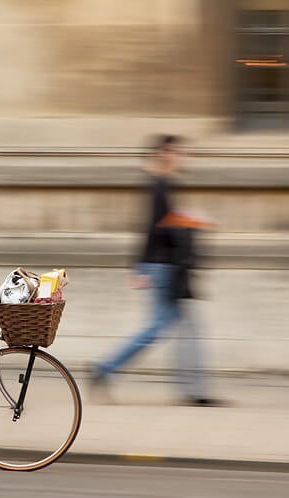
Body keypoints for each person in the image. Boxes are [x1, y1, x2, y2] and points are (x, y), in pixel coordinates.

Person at [91, 134, 221, 406]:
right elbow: (154, 228)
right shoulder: (159, 186)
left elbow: (162, 224)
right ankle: (105, 368)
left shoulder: (162, 185)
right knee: (160, 328)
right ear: (163, 154)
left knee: (174, 326)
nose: (182, 158)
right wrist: (141, 268)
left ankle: (190, 389)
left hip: (162, 265)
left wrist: (190, 219)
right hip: (163, 267)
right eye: (177, 152)